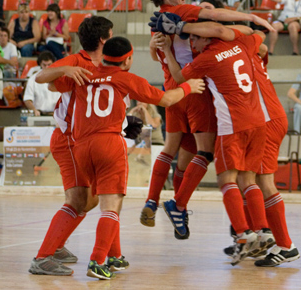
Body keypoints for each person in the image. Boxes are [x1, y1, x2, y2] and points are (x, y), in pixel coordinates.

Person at [50, 36, 204, 279]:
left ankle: (113, 256)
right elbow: (165, 99)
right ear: (128, 59)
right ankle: (97, 261)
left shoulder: (84, 75)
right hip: (108, 144)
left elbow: (48, 84)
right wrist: (188, 87)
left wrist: (64, 69)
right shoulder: (127, 78)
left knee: (105, 203)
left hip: (80, 146)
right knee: (111, 206)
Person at [141, 0, 273, 240]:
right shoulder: (185, 16)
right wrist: (252, 19)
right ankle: (182, 206)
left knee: (177, 153)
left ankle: (155, 202)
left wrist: (156, 47)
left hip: (172, 91)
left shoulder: (158, 22)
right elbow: (222, 25)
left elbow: (157, 54)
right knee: (212, 158)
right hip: (196, 90)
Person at [28, 16, 114, 276]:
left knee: (90, 201)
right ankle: (43, 258)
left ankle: (58, 244)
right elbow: (41, 77)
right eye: (111, 34)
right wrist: (64, 70)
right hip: (68, 139)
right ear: (102, 39)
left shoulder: (106, 64)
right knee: (78, 200)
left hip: (85, 140)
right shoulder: (76, 61)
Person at [223, 43, 299, 266]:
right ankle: (257, 239)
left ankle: (285, 245)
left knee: (262, 182)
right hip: (264, 119)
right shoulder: (247, 50)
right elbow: (263, 47)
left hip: (265, 121)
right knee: (247, 179)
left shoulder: (229, 54)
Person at [23, 51, 58, 116]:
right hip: (39, 113)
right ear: (40, 64)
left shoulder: (59, 78)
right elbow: (27, 99)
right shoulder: (33, 79)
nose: (47, 67)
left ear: (53, 63)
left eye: (49, 65)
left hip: (56, 114)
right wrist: (34, 110)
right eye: (44, 65)